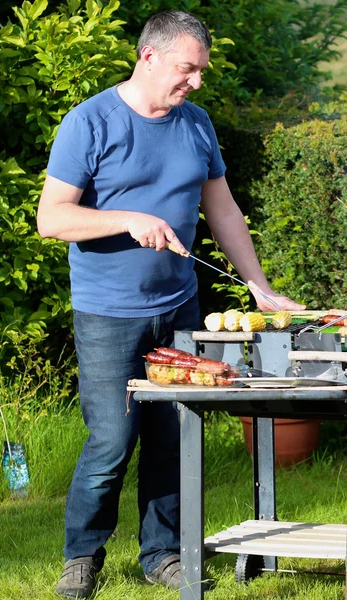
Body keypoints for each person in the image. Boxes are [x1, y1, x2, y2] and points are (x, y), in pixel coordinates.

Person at [37, 10, 305, 598]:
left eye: (201, 72)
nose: (196, 83)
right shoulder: (90, 122)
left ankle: (162, 554)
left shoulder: (196, 124)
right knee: (111, 441)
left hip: (179, 307)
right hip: (108, 313)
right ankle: (82, 556)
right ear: (149, 56)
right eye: (188, 70)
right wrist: (128, 218)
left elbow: (223, 210)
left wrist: (257, 285)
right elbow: (51, 218)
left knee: (173, 439)